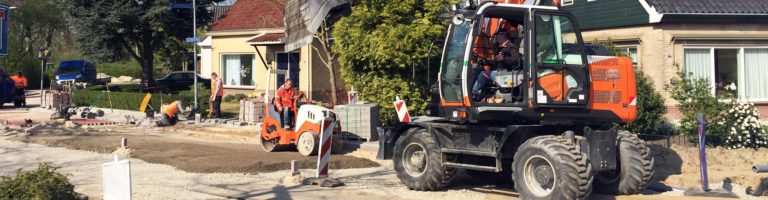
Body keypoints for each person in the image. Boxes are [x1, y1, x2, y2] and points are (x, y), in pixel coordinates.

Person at [472, 28, 522, 98]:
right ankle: (482, 95)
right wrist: (486, 61)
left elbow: (516, 59)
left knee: (483, 74)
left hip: (505, 73)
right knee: (478, 71)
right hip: (500, 71)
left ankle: (472, 94)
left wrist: (504, 58)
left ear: (503, 36)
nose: (496, 38)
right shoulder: (500, 47)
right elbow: (497, 60)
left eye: (497, 36)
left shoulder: (511, 47)